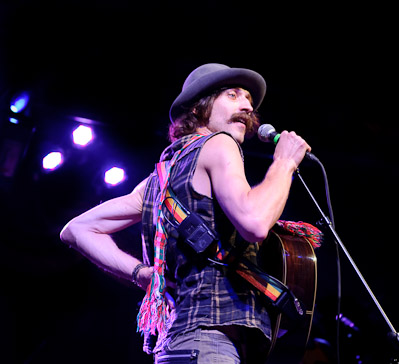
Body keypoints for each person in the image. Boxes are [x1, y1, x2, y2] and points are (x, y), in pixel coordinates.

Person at [60, 63, 311, 363]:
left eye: (249, 100)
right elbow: (255, 222)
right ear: (198, 108)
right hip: (209, 346)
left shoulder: (159, 179)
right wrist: (284, 164)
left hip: (174, 345)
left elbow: (77, 229)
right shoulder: (220, 144)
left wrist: (143, 275)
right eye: (233, 95)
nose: (247, 107)